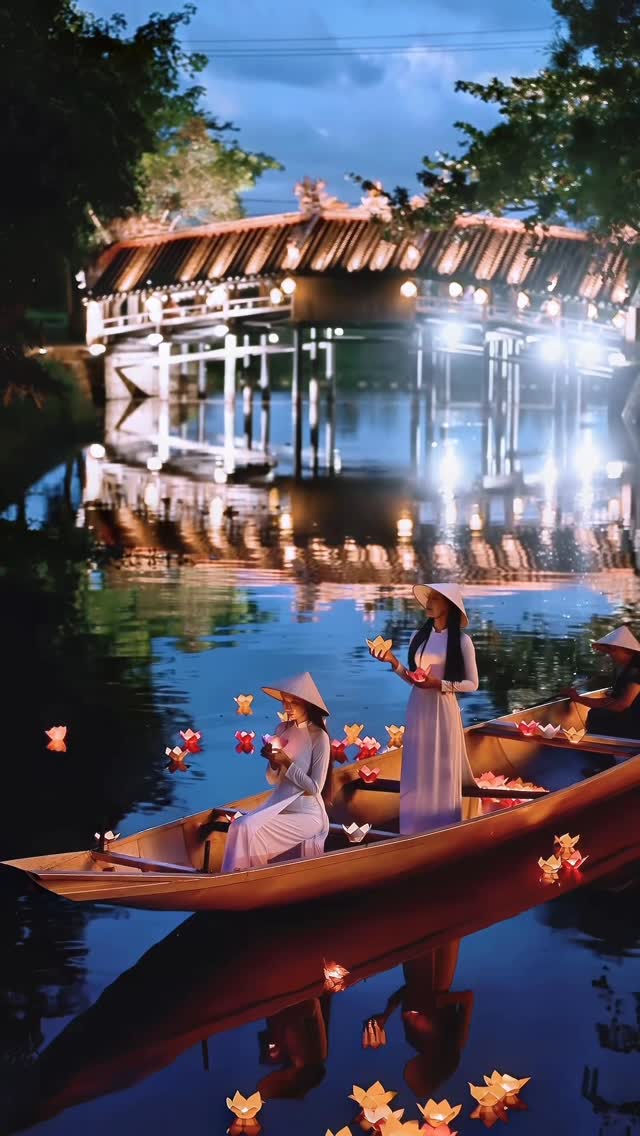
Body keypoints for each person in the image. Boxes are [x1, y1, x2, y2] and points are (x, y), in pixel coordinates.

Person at [369, 582, 478, 834]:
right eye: (428, 598)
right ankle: (413, 827)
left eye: (435, 599)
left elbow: (472, 684)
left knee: (441, 765)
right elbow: (414, 679)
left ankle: (443, 826)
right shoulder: (419, 637)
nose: (428, 603)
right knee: (417, 764)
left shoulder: (462, 641)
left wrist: (439, 683)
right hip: (418, 706)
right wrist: (394, 662)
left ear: (449, 606)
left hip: (442, 707)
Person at [221, 672, 331, 872]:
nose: (287, 708)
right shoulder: (281, 729)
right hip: (281, 806)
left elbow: (315, 788)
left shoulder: (319, 737)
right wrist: (273, 763)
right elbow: (272, 780)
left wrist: (287, 763)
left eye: (293, 703)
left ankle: (248, 876)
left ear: (306, 704)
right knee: (239, 826)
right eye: (285, 702)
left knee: (248, 827)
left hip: (308, 814)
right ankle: (241, 875)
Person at [362, 940, 474, 1097]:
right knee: (445, 931)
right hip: (439, 979)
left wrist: (386, 1015)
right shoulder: (455, 1042)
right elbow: (468, 998)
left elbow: (407, 991)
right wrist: (435, 1001)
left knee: (416, 937)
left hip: (416, 974)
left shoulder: (413, 1038)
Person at [568, 626, 640, 739]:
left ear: (626, 650)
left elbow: (623, 704)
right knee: (597, 713)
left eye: (613, 650)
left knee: (596, 715)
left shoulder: (636, 669)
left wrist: (579, 699)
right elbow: (614, 701)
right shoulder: (628, 667)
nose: (610, 655)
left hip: (635, 725)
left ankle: (606, 750)